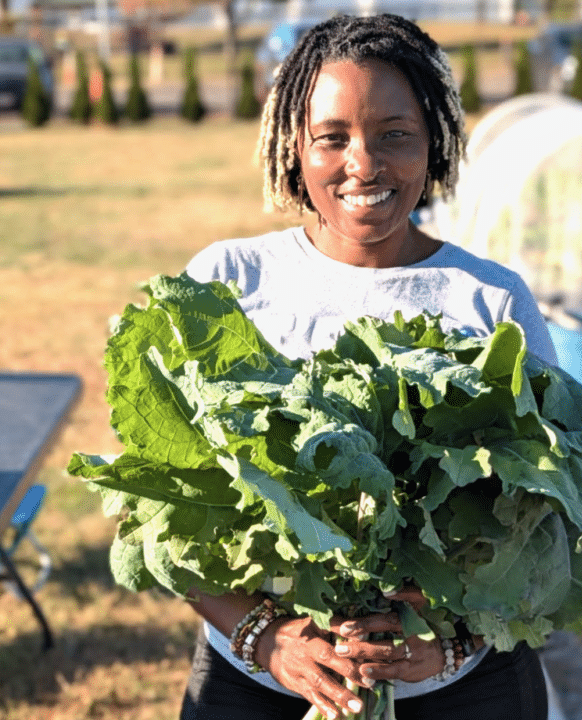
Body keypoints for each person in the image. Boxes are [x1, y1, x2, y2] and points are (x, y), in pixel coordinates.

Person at [180, 13, 557, 720]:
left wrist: (452, 637)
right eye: (333, 137)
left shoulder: (492, 299)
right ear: (295, 146)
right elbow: (168, 512)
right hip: (256, 688)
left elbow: (549, 514)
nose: (364, 164)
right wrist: (270, 641)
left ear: (433, 143)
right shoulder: (225, 284)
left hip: (467, 693)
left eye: (395, 135)